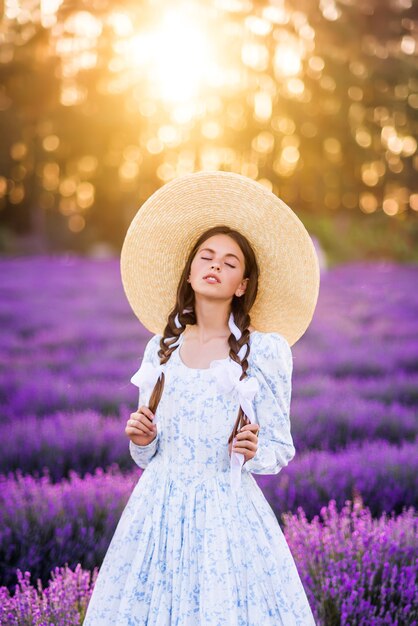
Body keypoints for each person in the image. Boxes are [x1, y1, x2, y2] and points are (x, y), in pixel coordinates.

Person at [83, 171, 320, 625]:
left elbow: (279, 448)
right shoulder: (161, 347)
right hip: (159, 507)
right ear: (190, 271)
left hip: (227, 514)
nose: (216, 265)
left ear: (243, 285)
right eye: (206, 257)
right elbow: (146, 453)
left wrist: (251, 452)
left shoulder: (265, 351)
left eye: (231, 263)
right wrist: (140, 436)